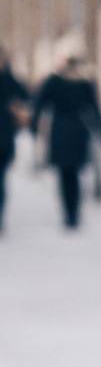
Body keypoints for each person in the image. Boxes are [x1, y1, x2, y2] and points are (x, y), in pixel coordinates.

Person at [31, 52, 101, 228]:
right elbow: (95, 109)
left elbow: (39, 104)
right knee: (74, 174)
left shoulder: (54, 81)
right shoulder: (84, 83)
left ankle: (69, 213)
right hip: (77, 132)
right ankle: (73, 214)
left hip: (60, 131)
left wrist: (34, 126)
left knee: (65, 175)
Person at [0, 47, 30, 233]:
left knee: (0, 181)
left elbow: (27, 97)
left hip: (4, 138)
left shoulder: (11, 80)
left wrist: (17, 108)